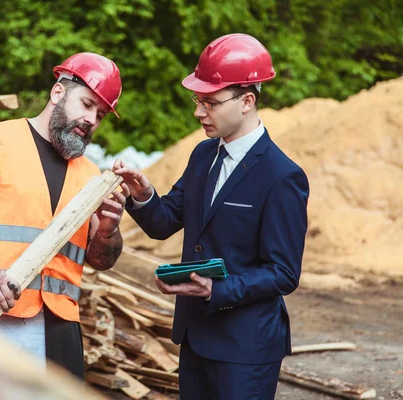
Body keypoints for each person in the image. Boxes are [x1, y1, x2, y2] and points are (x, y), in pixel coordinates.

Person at [113, 34, 309, 399]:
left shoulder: (283, 177)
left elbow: (283, 273)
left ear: (247, 100)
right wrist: (142, 195)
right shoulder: (203, 156)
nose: (198, 112)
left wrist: (216, 289)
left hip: (245, 349)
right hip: (195, 337)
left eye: (210, 102)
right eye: (197, 100)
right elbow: (164, 221)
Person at [0, 52, 130, 379]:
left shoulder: (91, 176)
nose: (92, 120)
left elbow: (101, 260)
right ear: (58, 92)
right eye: (87, 104)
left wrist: (108, 230)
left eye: (101, 114)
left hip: (56, 331)